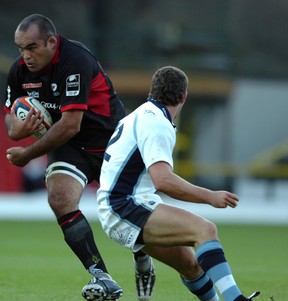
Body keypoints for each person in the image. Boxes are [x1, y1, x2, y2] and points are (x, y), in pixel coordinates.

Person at [97, 66, 260, 301]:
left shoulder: (143, 113)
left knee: (191, 265)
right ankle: (236, 299)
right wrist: (210, 197)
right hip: (125, 207)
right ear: (183, 95)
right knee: (205, 230)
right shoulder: (157, 124)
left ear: (153, 90)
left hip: (121, 207)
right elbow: (162, 181)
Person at [3, 14, 126, 300]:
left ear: (51, 41)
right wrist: (18, 131)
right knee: (59, 199)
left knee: (128, 215)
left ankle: (142, 254)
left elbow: (72, 122)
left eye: (32, 47)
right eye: (20, 48)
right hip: (70, 144)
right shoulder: (20, 71)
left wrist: (27, 154)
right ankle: (102, 276)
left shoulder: (75, 60)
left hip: (110, 142)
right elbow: (10, 125)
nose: (26, 56)